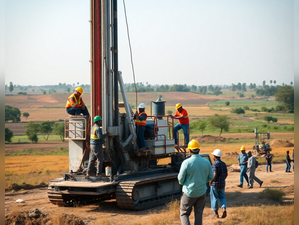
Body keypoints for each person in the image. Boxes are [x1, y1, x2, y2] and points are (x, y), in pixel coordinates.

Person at [178, 140, 214, 225]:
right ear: (199, 150)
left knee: (184, 214)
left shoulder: (186, 163)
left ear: (189, 151)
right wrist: (202, 181)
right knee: (198, 214)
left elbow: (180, 179)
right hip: (202, 192)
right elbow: (211, 176)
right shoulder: (206, 162)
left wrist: (185, 184)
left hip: (189, 193)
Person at [209, 149, 228, 219]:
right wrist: (222, 179)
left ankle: (216, 214)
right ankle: (224, 209)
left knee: (214, 198)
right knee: (222, 197)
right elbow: (226, 174)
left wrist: (211, 181)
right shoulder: (223, 164)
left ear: (214, 156)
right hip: (222, 184)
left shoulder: (215, 164)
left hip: (215, 184)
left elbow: (215, 174)